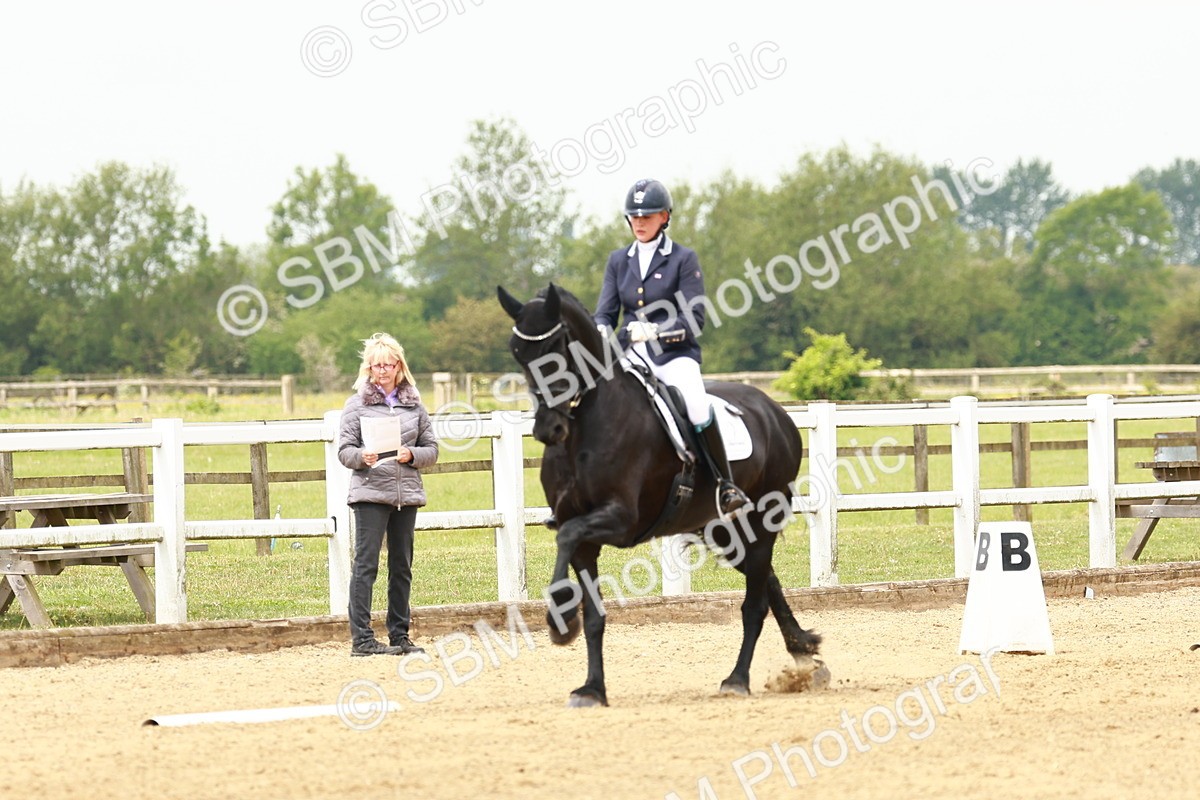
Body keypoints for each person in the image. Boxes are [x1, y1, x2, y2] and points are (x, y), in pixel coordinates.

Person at [593, 178, 750, 518]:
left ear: (664, 217)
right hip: (629, 356)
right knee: (597, 400)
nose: (639, 222)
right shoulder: (619, 260)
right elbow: (605, 311)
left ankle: (725, 485)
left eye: (647, 216)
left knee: (695, 404)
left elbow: (695, 316)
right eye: (634, 216)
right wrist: (601, 328)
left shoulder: (683, 258)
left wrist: (655, 331)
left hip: (674, 356)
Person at [338, 332, 438, 657]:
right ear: (368, 368)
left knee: (402, 566)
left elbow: (432, 449)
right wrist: (360, 457)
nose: (382, 370)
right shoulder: (356, 405)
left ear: (399, 366)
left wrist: (412, 454)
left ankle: (399, 635)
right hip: (370, 492)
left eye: (387, 364)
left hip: (405, 494)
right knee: (366, 565)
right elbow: (345, 450)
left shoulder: (415, 405)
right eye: (375, 365)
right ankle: (362, 639)